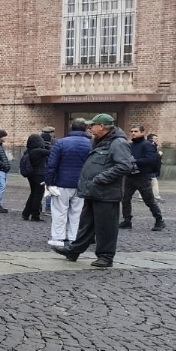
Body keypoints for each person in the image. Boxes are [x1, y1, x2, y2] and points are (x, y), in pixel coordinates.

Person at [53, 114, 133, 268]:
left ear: (102, 126)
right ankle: (73, 251)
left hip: (106, 193)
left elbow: (124, 166)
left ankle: (105, 256)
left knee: (106, 226)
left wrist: (102, 177)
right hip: (93, 190)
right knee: (87, 224)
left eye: (92, 125)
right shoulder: (99, 141)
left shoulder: (118, 143)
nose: (89, 128)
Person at [44, 118, 91, 249]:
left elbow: (51, 165)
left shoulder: (60, 143)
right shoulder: (91, 144)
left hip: (62, 182)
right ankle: (74, 237)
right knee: (77, 212)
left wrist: (49, 182)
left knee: (59, 211)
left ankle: (58, 238)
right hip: (82, 183)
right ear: (85, 129)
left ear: (71, 128)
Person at [120, 125, 164, 231]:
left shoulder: (147, 145)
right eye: (131, 131)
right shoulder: (130, 145)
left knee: (149, 200)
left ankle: (159, 220)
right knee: (125, 199)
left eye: (136, 131)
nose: (133, 133)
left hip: (143, 176)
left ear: (142, 132)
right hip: (130, 175)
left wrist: (135, 161)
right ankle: (127, 221)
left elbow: (151, 159)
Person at [19, 133, 50, 222]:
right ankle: (35, 215)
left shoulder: (28, 151)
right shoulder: (39, 151)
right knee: (38, 195)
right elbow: (51, 152)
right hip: (40, 175)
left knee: (33, 194)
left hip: (31, 175)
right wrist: (47, 145)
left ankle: (26, 213)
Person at [148, 133, 163, 201]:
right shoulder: (150, 146)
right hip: (149, 167)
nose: (157, 139)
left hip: (151, 167)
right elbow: (152, 156)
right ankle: (156, 196)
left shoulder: (154, 145)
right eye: (155, 138)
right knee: (154, 182)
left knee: (145, 182)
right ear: (151, 139)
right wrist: (159, 154)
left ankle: (141, 197)